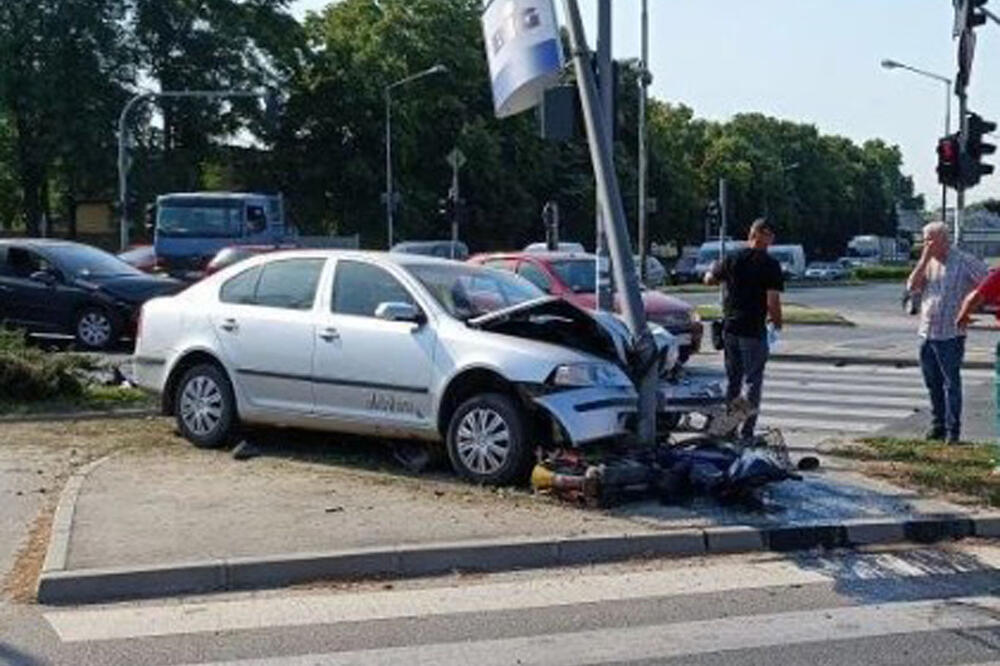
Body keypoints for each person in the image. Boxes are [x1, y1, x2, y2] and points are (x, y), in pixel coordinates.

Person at [906, 222, 988, 444]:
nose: (927, 244)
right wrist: (924, 259)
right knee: (932, 382)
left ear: (944, 239)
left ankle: (953, 431)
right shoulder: (928, 263)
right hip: (927, 332)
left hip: (951, 333)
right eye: (925, 240)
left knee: (951, 383)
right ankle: (938, 425)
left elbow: (987, 282)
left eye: (931, 240)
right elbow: (912, 286)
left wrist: (972, 303)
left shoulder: (963, 260)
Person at [704, 218, 784, 441]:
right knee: (753, 382)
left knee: (733, 381)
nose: (772, 239)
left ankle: (727, 430)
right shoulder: (770, 265)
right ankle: (746, 432)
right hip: (753, 329)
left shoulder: (732, 257)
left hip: (730, 328)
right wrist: (777, 324)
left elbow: (709, 279)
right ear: (757, 233)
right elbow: (773, 301)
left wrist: (715, 270)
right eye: (769, 234)